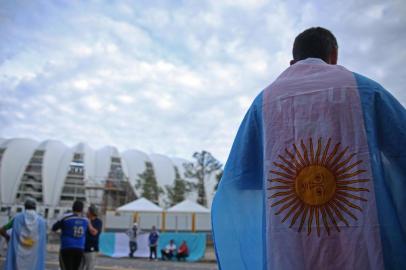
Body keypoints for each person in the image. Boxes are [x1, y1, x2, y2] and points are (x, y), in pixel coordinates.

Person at [212, 27, 406, 270]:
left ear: (292, 62)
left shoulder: (264, 102)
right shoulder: (365, 90)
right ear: (334, 56)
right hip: (362, 243)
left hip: (287, 248)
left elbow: (242, 179)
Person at [0, 199, 46, 270]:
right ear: (35, 208)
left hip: (17, 252)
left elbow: (2, 230)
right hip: (34, 255)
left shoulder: (17, 218)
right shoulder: (42, 221)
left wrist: (8, 237)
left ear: (24, 207)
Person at [52, 200, 93, 270]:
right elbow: (89, 231)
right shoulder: (86, 220)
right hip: (80, 247)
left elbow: (54, 228)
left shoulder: (65, 218)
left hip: (67, 246)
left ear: (72, 207)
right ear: (82, 209)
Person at [80, 204, 102, 270]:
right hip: (81, 248)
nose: (87, 212)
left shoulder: (98, 222)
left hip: (91, 249)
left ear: (91, 213)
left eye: (88, 211)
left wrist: (89, 222)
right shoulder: (84, 220)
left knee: (89, 267)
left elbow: (94, 233)